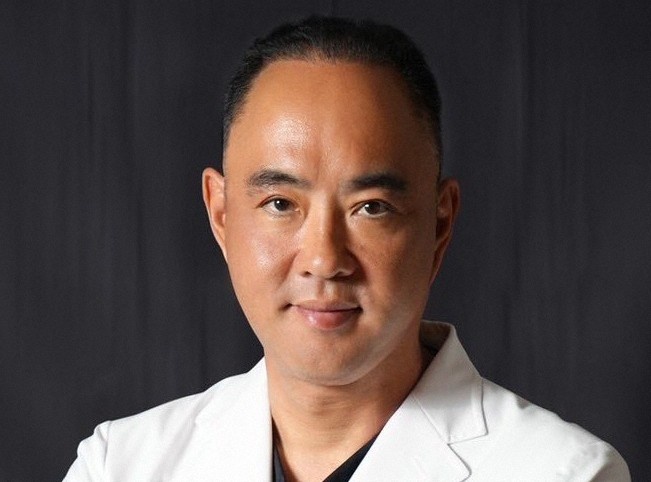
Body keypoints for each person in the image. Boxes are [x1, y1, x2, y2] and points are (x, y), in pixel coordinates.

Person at [64, 16, 630, 481]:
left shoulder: (565, 473)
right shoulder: (119, 466)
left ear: (439, 224)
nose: (324, 259)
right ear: (222, 214)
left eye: (371, 207)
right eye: (280, 204)